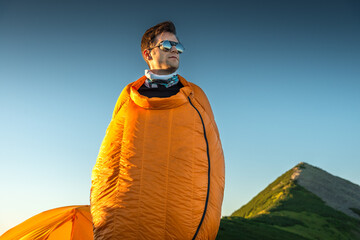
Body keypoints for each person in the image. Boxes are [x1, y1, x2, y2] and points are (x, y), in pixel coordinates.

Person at [90, 21, 225, 240]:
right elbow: (110, 159)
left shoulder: (196, 97)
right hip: (129, 218)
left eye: (178, 46)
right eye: (167, 45)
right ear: (147, 53)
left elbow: (214, 163)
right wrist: (105, 218)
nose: (174, 50)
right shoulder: (128, 97)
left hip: (183, 220)